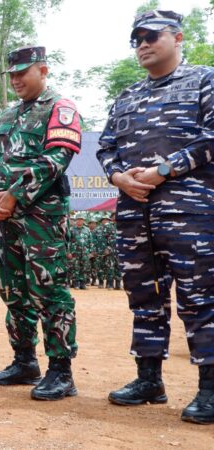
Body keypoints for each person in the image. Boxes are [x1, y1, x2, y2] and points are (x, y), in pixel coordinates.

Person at [98, 10, 214, 424]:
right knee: (144, 297)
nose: (143, 44)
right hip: (134, 212)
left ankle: (210, 389)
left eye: (151, 35)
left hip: (191, 211)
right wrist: (118, 177)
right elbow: (106, 146)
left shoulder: (205, 80)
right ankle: (149, 380)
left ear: (178, 37)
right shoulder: (127, 95)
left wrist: (165, 170)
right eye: (136, 39)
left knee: (201, 298)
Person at [0, 45, 81, 401]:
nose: (17, 79)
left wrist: (15, 195)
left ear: (43, 70)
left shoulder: (60, 109)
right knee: (13, 290)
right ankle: (24, 361)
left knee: (49, 290)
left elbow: (56, 160)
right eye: (13, 75)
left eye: (23, 72)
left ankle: (61, 370)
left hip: (43, 219)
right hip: (8, 220)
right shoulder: (7, 117)